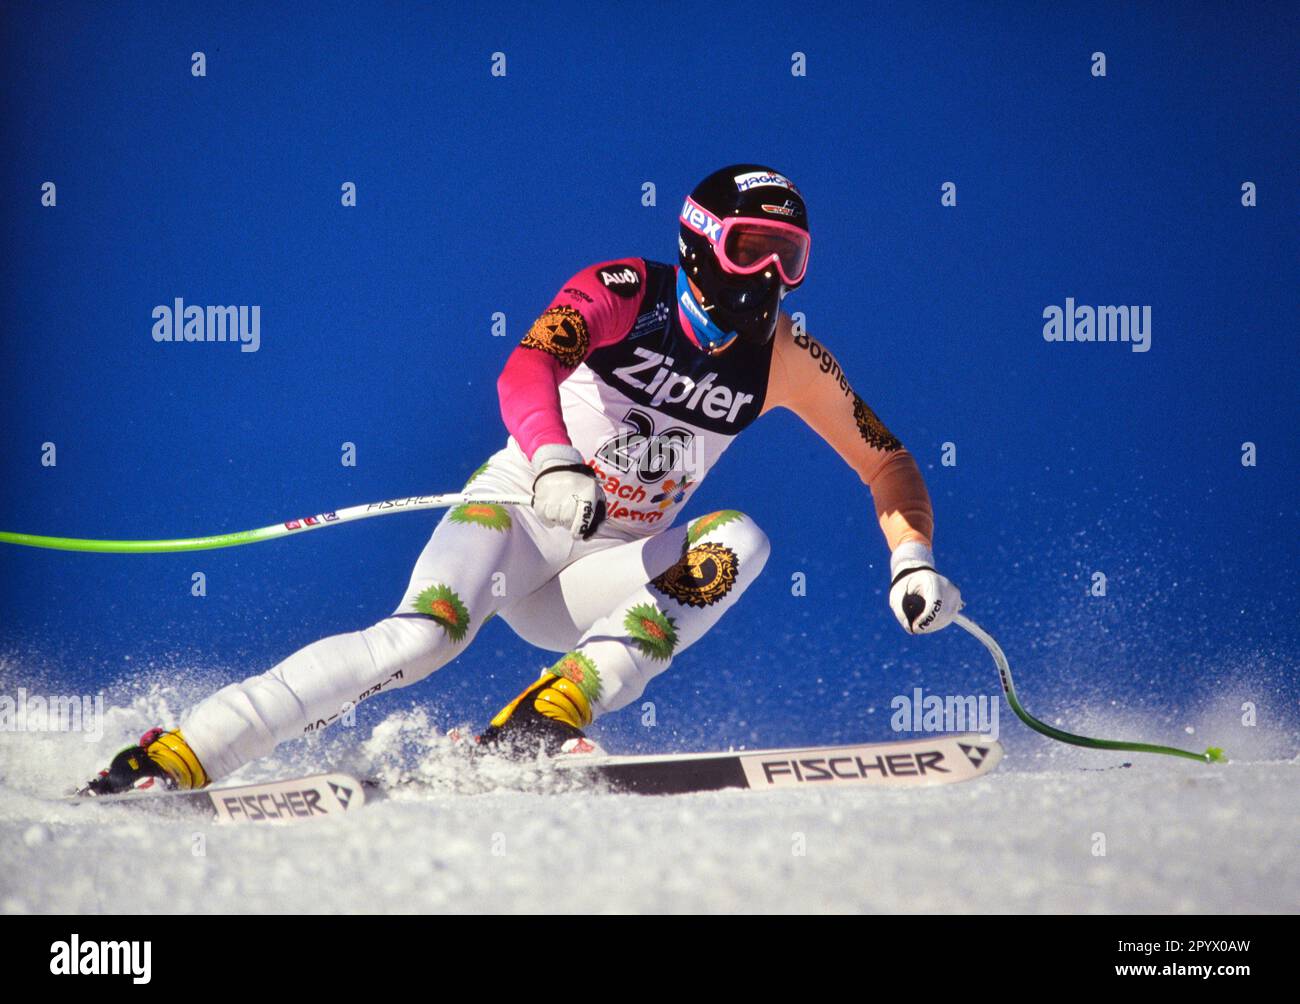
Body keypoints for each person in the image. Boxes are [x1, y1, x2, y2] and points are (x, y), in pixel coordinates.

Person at [82, 164, 963, 795]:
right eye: (751, 249)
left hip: (600, 575)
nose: (769, 275)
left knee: (739, 543)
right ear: (700, 245)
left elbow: (885, 460)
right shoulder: (628, 291)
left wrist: (912, 560)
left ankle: (546, 716)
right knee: (420, 639)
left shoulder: (786, 358)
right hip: (519, 519)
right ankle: (177, 754)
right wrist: (552, 460)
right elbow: (527, 367)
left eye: (788, 256)